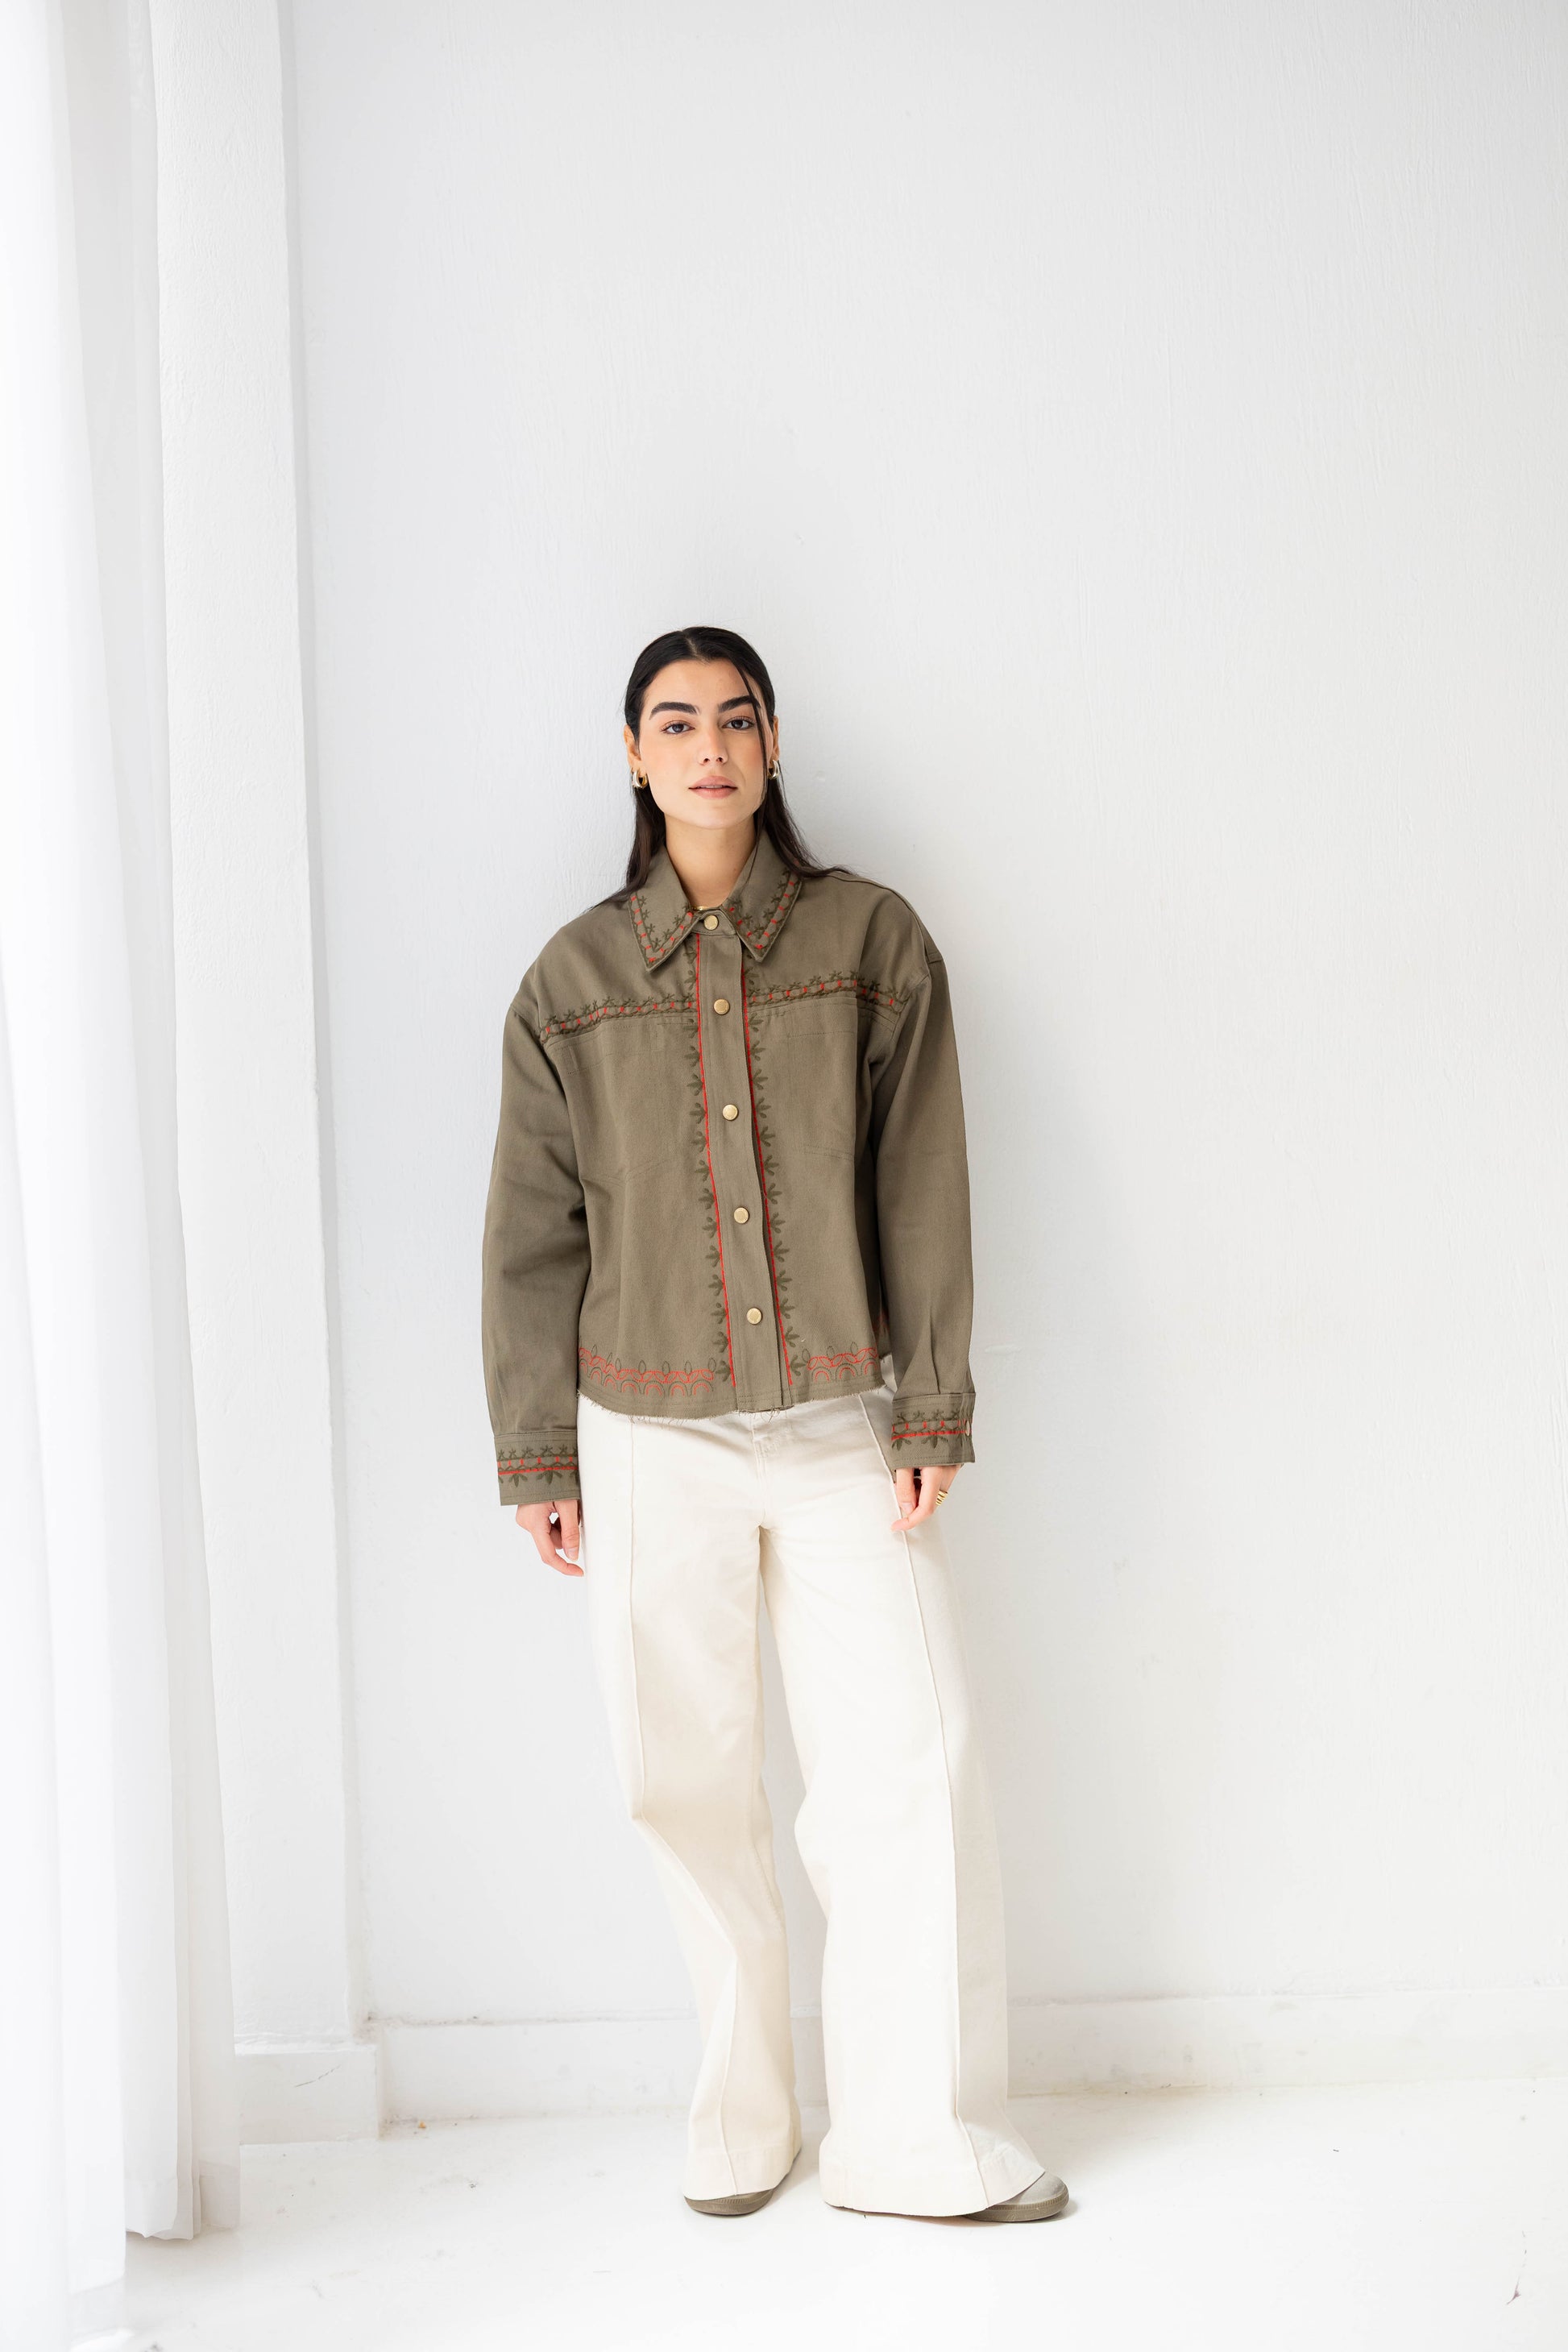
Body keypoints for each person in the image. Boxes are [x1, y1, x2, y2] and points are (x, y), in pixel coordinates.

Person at [480, 625, 1068, 2225]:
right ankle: (741, 2123)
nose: (709, 747)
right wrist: (537, 1452)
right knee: (680, 1778)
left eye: (735, 718)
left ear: (773, 740)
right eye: (675, 723)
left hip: (839, 1422)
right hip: (643, 1434)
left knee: (905, 1767)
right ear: (632, 754)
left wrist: (929, 1401)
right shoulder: (570, 982)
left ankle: (917, 2141)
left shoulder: (872, 942)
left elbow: (920, 1182)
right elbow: (533, 1232)